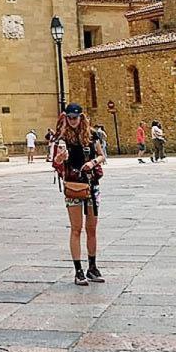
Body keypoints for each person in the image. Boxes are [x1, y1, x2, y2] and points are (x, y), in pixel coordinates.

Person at [52, 103, 106, 286]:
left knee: (92, 229)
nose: (73, 121)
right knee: (76, 229)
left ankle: (92, 267)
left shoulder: (92, 135)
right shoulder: (61, 138)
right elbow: (56, 162)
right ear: (66, 118)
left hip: (92, 186)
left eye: (75, 117)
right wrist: (60, 158)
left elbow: (101, 155)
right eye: (70, 118)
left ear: (81, 117)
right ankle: (78, 271)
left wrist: (93, 163)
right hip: (74, 186)